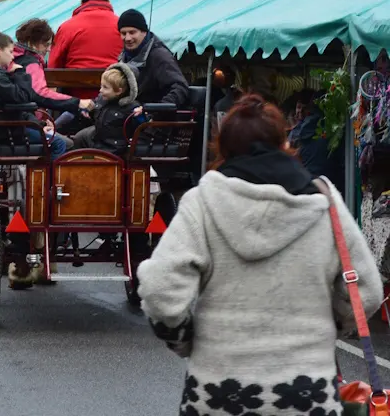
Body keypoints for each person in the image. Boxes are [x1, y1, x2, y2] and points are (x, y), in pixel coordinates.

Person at [137, 94, 381, 416]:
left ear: (222, 148)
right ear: (284, 142)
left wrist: (184, 341)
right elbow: (367, 292)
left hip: (218, 393)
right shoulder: (323, 200)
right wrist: (325, 326)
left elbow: (159, 290)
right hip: (307, 396)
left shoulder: (203, 202)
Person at [0, 31, 67, 159]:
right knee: (59, 143)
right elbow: (23, 99)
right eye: (10, 52)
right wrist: (21, 72)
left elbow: (12, 101)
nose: (12, 57)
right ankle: (47, 178)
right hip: (7, 132)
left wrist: (39, 125)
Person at [48, 0, 123, 100]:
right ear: (108, 1)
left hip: (77, 99)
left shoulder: (67, 27)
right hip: (115, 96)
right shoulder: (122, 26)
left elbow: (54, 65)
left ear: (82, 3)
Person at [13, 18, 94, 115]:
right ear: (32, 42)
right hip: (28, 120)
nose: (48, 49)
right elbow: (40, 93)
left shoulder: (14, 56)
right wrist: (77, 102)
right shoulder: (31, 63)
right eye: (46, 45)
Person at [116, 8, 189, 107]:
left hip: (152, 118)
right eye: (123, 33)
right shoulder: (123, 57)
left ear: (144, 32)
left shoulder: (159, 56)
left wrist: (155, 110)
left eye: (132, 32)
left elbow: (180, 87)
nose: (128, 38)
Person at [70, 63, 143, 154]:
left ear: (118, 91)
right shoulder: (102, 99)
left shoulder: (130, 107)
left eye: (105, 87)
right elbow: (97, 117)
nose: (101, 90)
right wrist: (90, 111)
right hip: (98, 141)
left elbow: (141, 127)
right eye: (101, 86)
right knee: (79, 138)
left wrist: (140, 116)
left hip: (113, 148)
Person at [289, 89, 346, 193]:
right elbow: (342, 164)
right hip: (329, 187)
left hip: (304, 185)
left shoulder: (297, 131)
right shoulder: (336, 132)